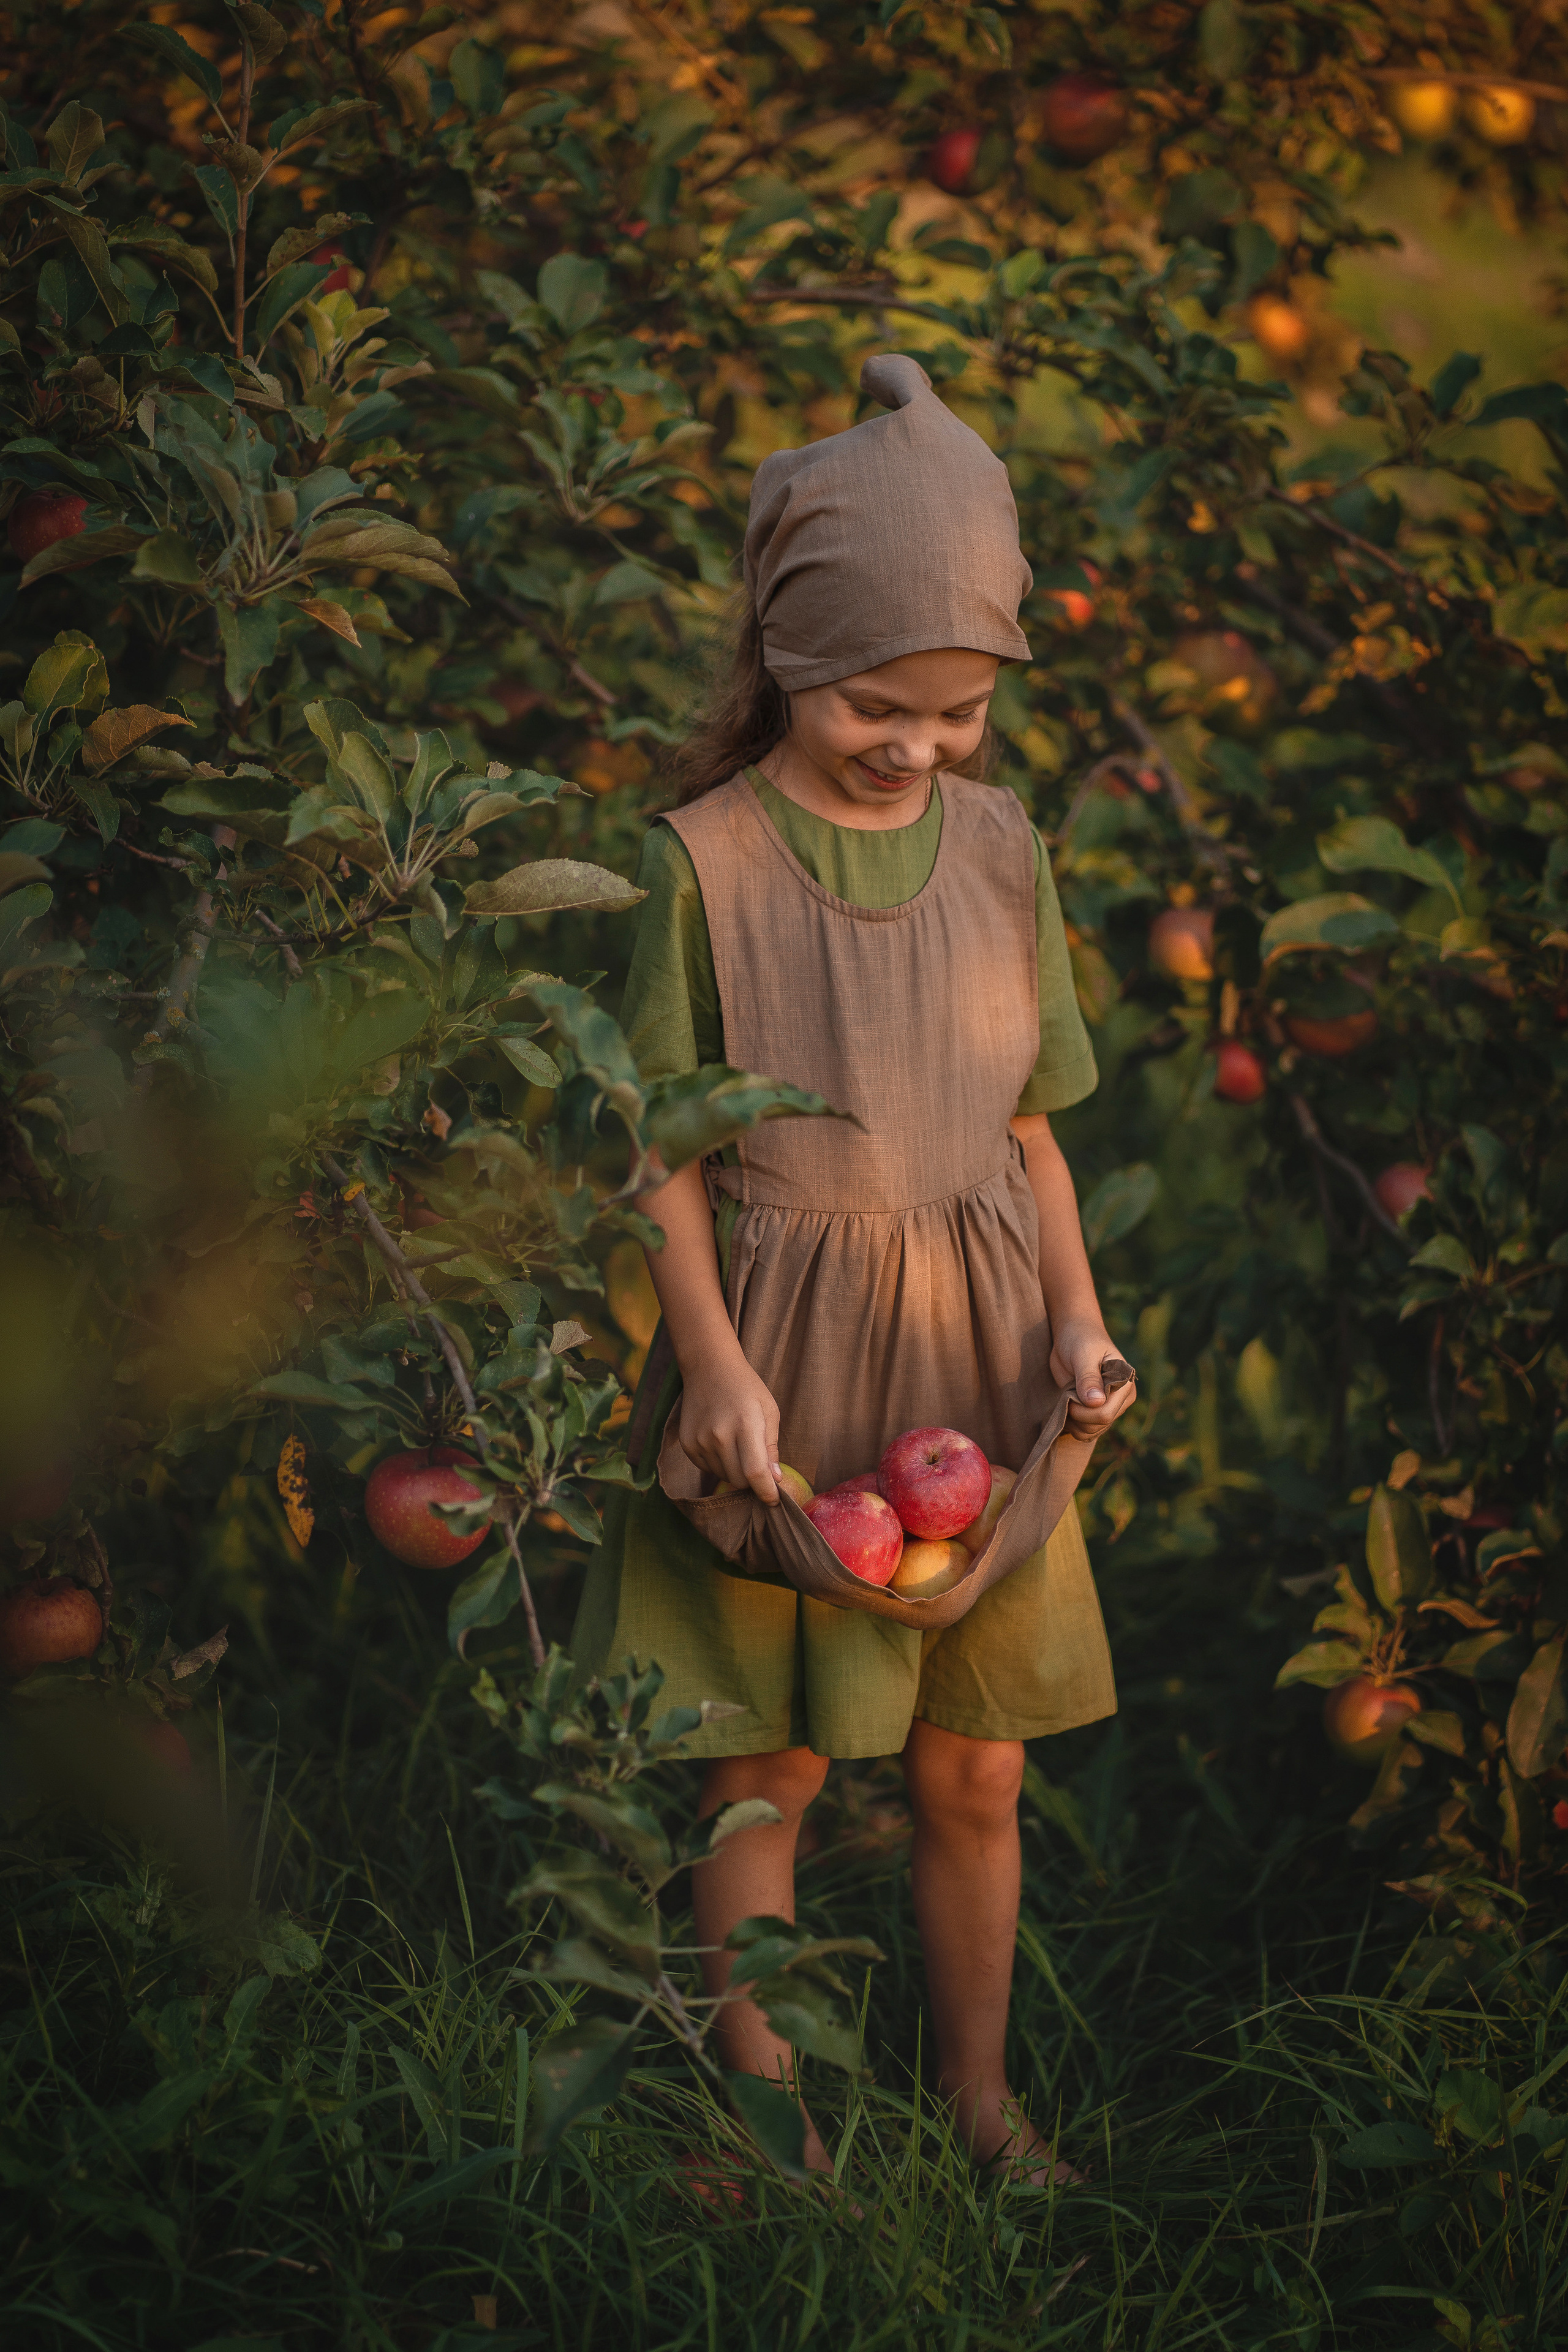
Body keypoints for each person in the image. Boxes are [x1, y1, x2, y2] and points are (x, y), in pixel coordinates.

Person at [575, 354, 1136, 2182]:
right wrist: (713, 1363)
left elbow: (1031, 1128)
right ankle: (768, 2121)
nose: (918, 747)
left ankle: (979, 2100)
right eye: (875, 706)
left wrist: (1075, 1316)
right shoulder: (705, 864)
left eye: (960, 712)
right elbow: (659, 1150)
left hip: (978, 1357)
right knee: (772, 1769)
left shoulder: (1003, 853)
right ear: (784, 655)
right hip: (788, 1364)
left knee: (977, 1764)